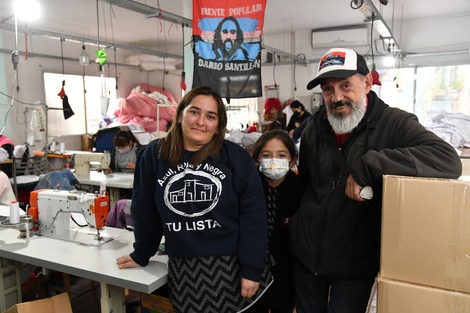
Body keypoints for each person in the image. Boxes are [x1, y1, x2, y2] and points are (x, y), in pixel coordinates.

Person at [289, 47, 462, 313]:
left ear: (367, 82)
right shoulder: (314, 128)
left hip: (354, 264)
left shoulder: (394, 123)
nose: (337, 97)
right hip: (305, 258)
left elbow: (447, 159)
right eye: (327, 89)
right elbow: (306, 185)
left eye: (346, 85)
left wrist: (370, 163)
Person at [116, 86, 271, 313]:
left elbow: (254, 217)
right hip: (184, 268)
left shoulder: (235, 158)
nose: (201, 121)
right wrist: (142, 252)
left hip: (231, 265)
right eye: (194, 112)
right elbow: (144, 210)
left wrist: (251, 269)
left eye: (210, 116)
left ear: (218, 126)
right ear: (180, 115)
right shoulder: (154, 155)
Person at [249, 130, 303, 313]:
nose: (273, 160)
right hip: (254, 268)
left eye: (281, 155)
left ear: (292, 160)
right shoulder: (249, 188)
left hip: (289, 271)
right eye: (266, 155)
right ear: (257, 160)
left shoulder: (301, 190)